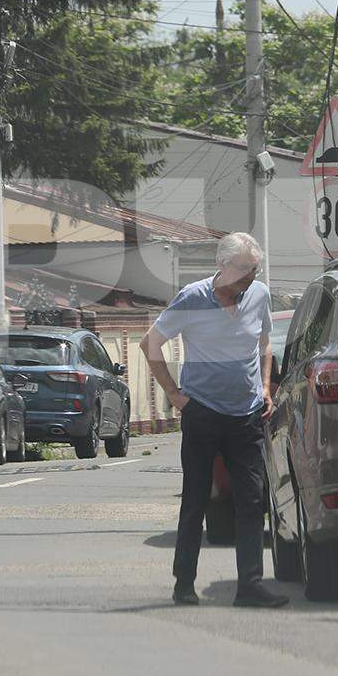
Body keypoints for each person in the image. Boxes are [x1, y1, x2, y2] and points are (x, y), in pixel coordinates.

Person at [141, 232, 289, 608]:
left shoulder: (260, 295)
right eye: (242, 270)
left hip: (246, 414)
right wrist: (175, 395)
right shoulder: (192, 297)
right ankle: (184, 584)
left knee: (252, 501)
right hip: (203, 413)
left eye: (253, 270)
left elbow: (264, 343)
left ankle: (250, 586)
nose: (248, 279)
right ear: (221, 266)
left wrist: (267, 389)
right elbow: (150, 343)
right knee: (196, 499)